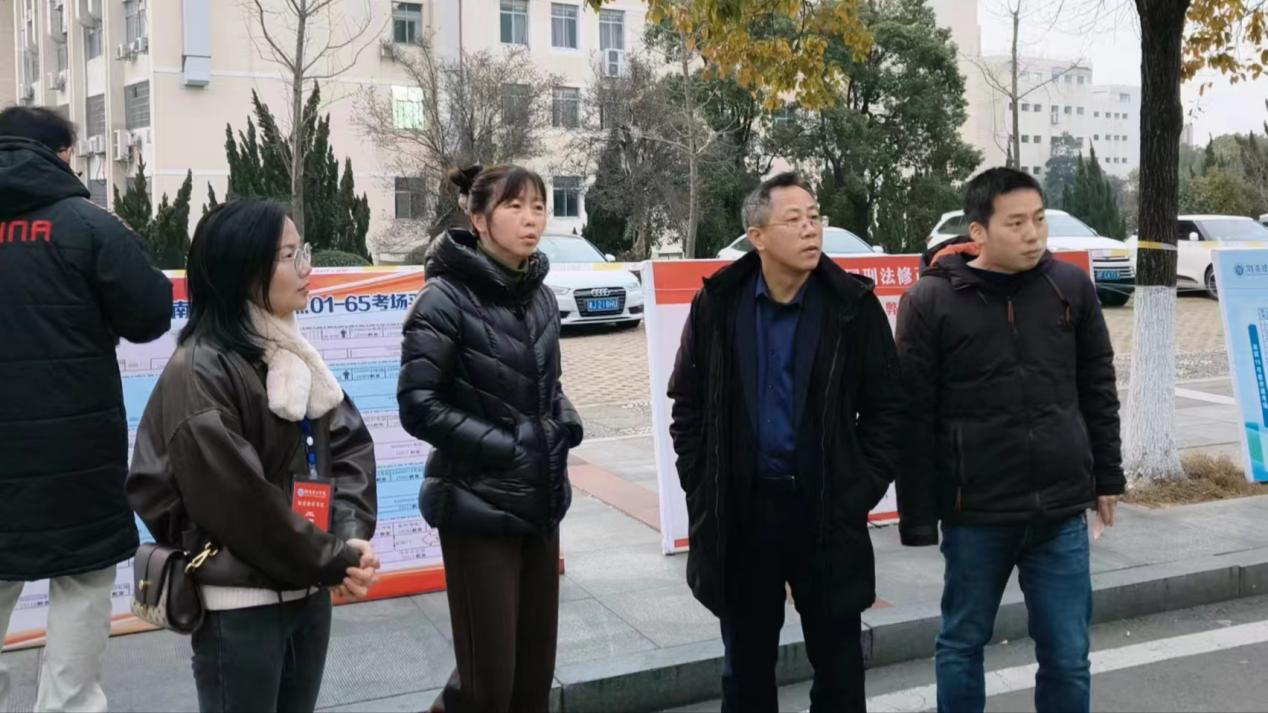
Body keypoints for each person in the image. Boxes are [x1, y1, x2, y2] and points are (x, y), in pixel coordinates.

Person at [126, 200, 380, 713]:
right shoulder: (200, 370)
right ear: (242, 269)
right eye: (289, 255)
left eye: (303, 251)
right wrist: (334, 558)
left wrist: (349, 534)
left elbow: (349, 445)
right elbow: (242, 504)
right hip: (241, 606)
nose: (306, 268)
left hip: (308, 588)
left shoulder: (292, 353)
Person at [667, 171, 906, 713]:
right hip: (744, 513)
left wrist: (857, 489)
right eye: (793, 219)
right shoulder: (719, 304)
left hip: (825, 509)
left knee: (840, 667)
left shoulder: (850, 305)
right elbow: (689, 403)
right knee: (746, 669)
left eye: (815, 217)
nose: (810, 229)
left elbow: (889, 408)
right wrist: (702, 485)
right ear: (757, 236)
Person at [894, 167, 1123, 713]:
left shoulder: (1069, 287)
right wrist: (918, 516)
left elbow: (1097, 386)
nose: (1032, 234)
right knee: (961, 644)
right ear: (978, 232)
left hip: (1059, 510)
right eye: (1016, 223)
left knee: (1068, 656)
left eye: (1039, 220)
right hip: (976, 512)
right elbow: (912, 413)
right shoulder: (931, 300)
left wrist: (1107, 477)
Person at [0, 106, 172, 712]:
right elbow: (150, 315)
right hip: (75, 454)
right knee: (81, 584)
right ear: (63, 154)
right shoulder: (89, 225)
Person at [397, 164, 583, 713]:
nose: (531, 219)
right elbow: (418, 405)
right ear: (478, 219)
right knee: (486, 687)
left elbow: (549, 386)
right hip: (476, 505)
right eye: (514, 206)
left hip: (540, 501)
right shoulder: (442, 300)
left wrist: (565, 424)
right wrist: (510, 447)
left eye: (538, 207)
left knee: (532, 679)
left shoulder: (540, 296)